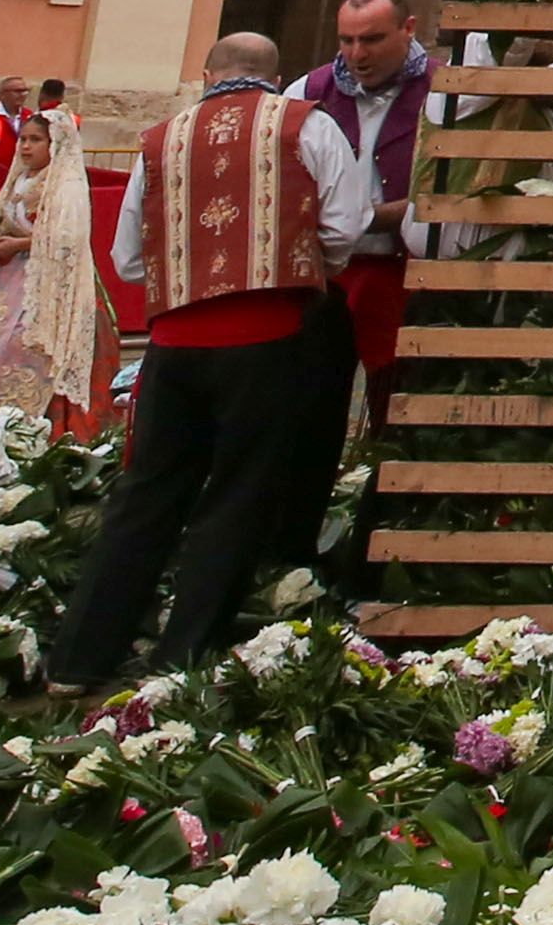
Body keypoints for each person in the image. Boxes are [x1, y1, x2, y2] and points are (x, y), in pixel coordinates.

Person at [54, 35, 375, 683]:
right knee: (237, 495)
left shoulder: (159, 139)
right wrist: (300, 266)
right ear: (275, 78)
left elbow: (127, 258)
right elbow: (347, 225)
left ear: (207, 75)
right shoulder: (307, 126)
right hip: (269, 333)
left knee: (145, 496)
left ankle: (79, 657)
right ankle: (184, 658)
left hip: (173, 345)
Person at [0, 84, 112, 438]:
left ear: (54, 145)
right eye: (24, 139)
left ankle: (19, 431)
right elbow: (2, 220)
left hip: (45, 283)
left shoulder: (65, 184)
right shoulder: (21, 180)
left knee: (16, 356)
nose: (26, 147)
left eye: (35, 141)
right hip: (6, 281)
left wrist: (21, 244)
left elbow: (68, 238)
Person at [291, 0, 442, 403]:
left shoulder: (447, 92)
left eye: (372, 39)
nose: (357, 55)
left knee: (397, 398)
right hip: (327, 276)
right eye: (347, 40)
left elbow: (459, 190)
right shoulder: (305, 93)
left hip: (406, 273)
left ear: (408, 28)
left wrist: (381, 215)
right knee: (311, 399)